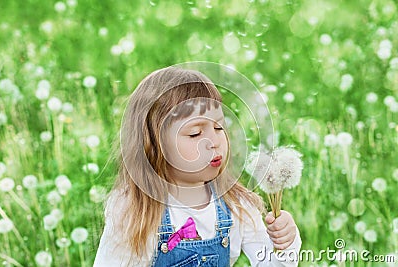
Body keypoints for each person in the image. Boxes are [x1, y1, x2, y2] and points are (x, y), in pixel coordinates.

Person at [93, 66, 301, 266]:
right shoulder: (135, 210)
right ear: (155, 145)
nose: (214, 141)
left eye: (219, 127)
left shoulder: (236, 204)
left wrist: (286, 243)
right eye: (195, 133)